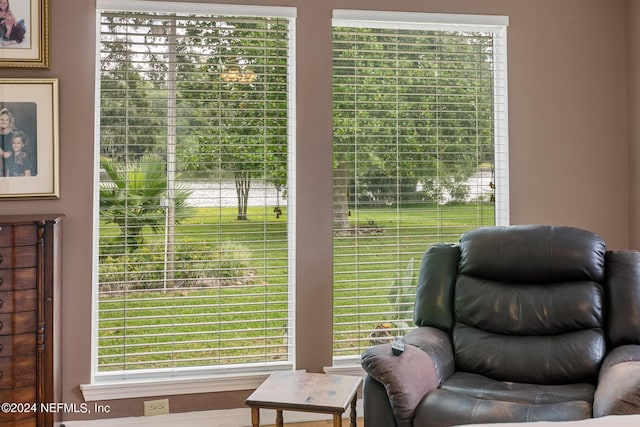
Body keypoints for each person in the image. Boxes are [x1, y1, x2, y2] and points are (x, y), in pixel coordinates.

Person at [0, 107, 14, 176]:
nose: (4, 122)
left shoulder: (13, 135)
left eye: (6, 120)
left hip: (10, 165)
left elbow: (8, 155)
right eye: (1, 119)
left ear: (9, 122)